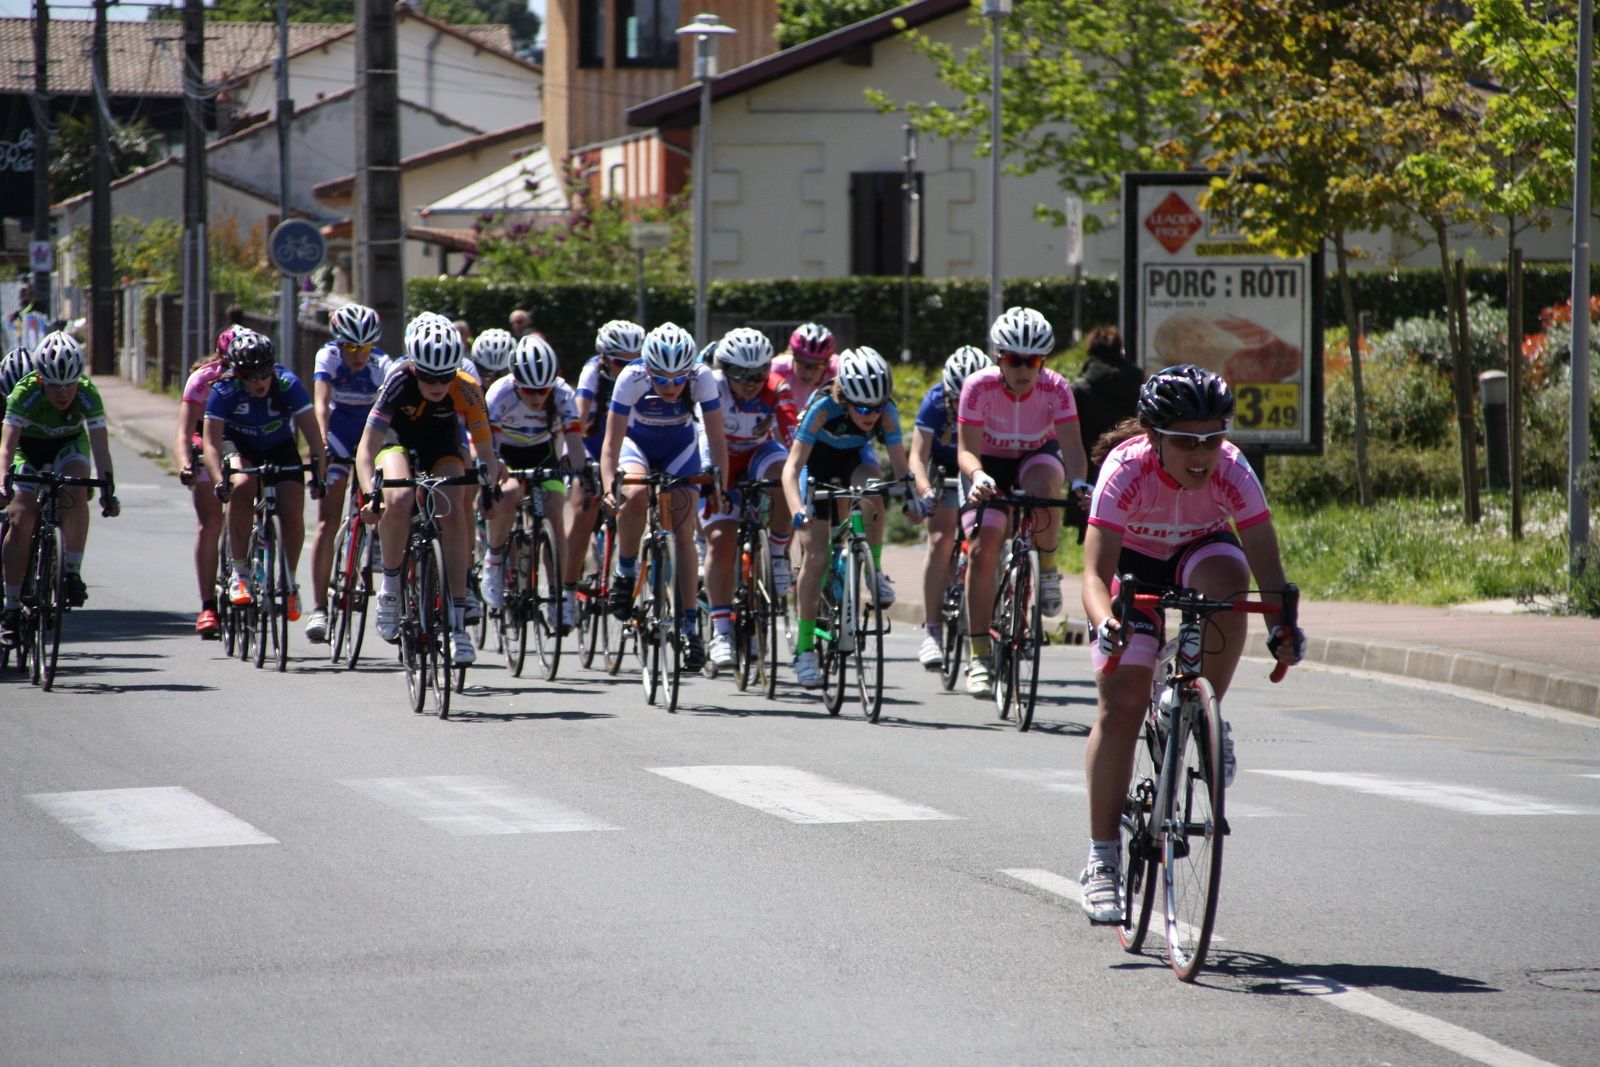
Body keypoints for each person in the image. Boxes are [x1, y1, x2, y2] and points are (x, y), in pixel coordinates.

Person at [1076, 364, 1305, 924]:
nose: (1201, 453)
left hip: (1199, 553)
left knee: (1231, 581)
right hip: (1132, 569)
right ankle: (1102, 859)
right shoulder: (1124, 469)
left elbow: (1267, 568)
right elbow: (1090, 574)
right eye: (1184, 441)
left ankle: (1208, 714)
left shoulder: (1231, 469)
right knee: (1123, 705)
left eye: (1213, 436)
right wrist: (1107, 620)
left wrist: (1282, 626)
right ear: (1153, 438)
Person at [958, 307, 1090, 697]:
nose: (1023, 369)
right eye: (1014, 360)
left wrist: (1081, 482)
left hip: (1036, 455)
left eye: (1032, 361)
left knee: (1046, 483)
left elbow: (1072, 448)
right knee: (984, 550)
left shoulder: (1057, 388)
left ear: (1042, 361)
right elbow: (966, 451)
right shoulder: (977, 387)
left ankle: (1047, 569)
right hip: (989, 464)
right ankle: (979, 655)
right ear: (999, 357)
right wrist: (978, 475)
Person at [780, 347, 929, 689]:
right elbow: (791, 469)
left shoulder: (885, 411)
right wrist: (797, 511)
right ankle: (804, 650)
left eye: (877, 408)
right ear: (844, 397)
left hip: (853, 461)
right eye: (862, 408)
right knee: (816, 557)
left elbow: (902, 470)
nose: (871, 415)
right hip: (815, 466)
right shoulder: (822, 408)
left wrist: (912, 499)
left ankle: (874, 570)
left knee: (874, 488)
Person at [355, 317, 497, 666]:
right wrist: (369, 494)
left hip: (440, 441)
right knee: (399, 497)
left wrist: (489, 488)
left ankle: (457, 623)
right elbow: (365, 450)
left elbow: (487, 453)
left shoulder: (466, 388)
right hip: (397, 440)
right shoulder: (398, 381)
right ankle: (389, 590)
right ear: (414, 367)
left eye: (445, 376)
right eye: (429, 376)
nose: (437, 385)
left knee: (454, 501)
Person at [600, 321, 727, 673]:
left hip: (680, 448)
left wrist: (720, 488)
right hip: (637, 446)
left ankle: (689, 627)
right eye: (662, 379)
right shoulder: (631, 376)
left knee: (684, 535)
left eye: (678, 379)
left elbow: (717, 442)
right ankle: (625, 574)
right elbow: (611, 444)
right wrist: (611, 486)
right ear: (649, 369)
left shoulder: (702, 377)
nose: (671, 387)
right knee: (636, 493)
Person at [0, 332, 120, 645]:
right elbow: (8, 443)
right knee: (20, 518)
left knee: (78, 485)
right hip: (27, 450)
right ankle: (11, 606)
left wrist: (108, 487)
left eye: (70, 383)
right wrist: (3, 478)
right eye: (55, 384)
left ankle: (71, 571)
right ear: (41, 380)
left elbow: (100, 446)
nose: (64, 392)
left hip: (67, 447)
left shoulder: (87, 393)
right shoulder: (24, 393)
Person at [201, 330, 327, 621]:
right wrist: (219, 478)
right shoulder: (224, 390)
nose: (259, 381)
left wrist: (319, 474)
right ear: (238, 373)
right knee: (243, 485)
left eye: (265, 373)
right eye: (251, 375)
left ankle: (289, 582)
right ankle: (240, 573)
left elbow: (313, 435)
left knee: (293, 508)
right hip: (239, 445)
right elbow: (210, 443)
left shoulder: (287, 384)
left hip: (278, 445)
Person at [699, 327, 797, 669]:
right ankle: (721, 630)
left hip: (758, 454)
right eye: (741, 374)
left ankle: (778, 551)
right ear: (725, 369)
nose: (751, 382)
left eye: (758, 374)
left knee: (786, 475)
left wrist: (804, 474)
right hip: (719, 458)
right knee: (721, 539)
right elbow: (700, 439)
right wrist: (713, 485)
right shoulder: (711, 386)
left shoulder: (776, 389)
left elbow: (794, 437)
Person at [480, 333, 587, 630]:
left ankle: (561, 595)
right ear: (515, 383)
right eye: (529, 391)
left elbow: (575, 444)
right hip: (507, 455)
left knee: (555, 512)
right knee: (509, 493)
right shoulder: (499, 394)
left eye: (543, 390)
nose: (537, 398)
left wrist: (582, 472)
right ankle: (495, 560)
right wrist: (490, 480)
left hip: (542, 453)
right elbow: (490, 448)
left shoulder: (563, 394)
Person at [302, 304, 395, 643]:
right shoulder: (327, 356)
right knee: (328, 518)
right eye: (351, 347)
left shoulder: (382, 364)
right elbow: (321, 405)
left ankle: (375, 558)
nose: (357, 356)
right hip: (339, 436)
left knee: (387, 500)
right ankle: (318, 609)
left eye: (365, 348)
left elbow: (392, 412)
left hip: (370, 437)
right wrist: (322, 444)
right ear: (339, 343)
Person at [909, 344, 992, 669]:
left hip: (981, 470)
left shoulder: (995, 400)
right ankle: (932, 631)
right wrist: (925, 490)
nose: (963, 406)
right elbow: (917, 455)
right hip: (944, 472)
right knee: (941, 539)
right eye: (956, 399)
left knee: (992, 540)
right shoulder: (933, 401)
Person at [171, 324, 240, 638]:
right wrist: (186, 463)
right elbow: (184, 433)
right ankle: (208, 605)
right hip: (206, 442)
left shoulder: (267, 378)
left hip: (244, 441)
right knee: (211, 523)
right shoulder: (202, 380)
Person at [1071, 324, 1143, 499]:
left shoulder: (1081, 388)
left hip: (1091, 470)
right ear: (1120, 350)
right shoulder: (1138, 383)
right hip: (1130, 467)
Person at [771, 322, 837, 413]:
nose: (808, 374)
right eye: (801, 363)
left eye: (817, 366)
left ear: (827, 362)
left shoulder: (837, 372)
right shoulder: (776, 369)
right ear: (793, 356)